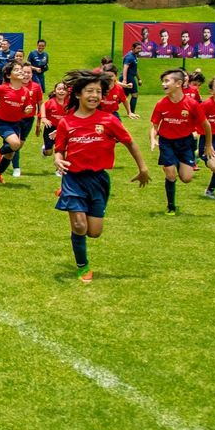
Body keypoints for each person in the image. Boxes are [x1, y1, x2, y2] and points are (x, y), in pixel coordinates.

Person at [54, 69, 150, 283]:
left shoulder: (108, 120)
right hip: (73, 179)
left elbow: (130, 142)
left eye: (98, 91)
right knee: (79, 226)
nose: (95, 95)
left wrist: (143, 168)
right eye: (90, 91)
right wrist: (57, 159)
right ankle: (83, 266)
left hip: (98, 180)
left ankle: (80, 218)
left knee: (94, 232)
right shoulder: (66, 122)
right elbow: (59, 149)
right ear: (78, 94)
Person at [150, 68, 215, 216]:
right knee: (171, 175)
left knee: (186, 178)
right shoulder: (161, 104)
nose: (163, 84)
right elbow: (154, 126)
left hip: (185, 143)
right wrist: (153, 138)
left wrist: (208, 145)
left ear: (179, 83)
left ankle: (175, 162)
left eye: (167, 81)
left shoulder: (192, 104)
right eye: (163, 81)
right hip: (166, 142)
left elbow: (206, 125)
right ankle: (171, 206)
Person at [0, 62, 35, 185]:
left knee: (10, 154)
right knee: (15, 144)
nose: (20, 72)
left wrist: (28, 109)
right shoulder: (2, 88)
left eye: (21, 70)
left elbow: (27, 106)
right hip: (3, 123)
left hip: (16, 124)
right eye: (17, 70)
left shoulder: (25, 91)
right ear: (9, 75)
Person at [121, 42, 141, 114]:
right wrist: (124, 79)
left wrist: (139, 79)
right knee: (135, 94)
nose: (139, 50)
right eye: (138, 48)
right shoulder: (129, 57)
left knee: (123, 96)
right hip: (128, 77)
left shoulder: (134, 56)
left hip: (130, 77)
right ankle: (131, 112)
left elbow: (135, 69)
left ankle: (108, 107)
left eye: (140, 48)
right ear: (132, 48)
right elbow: (125, 68)